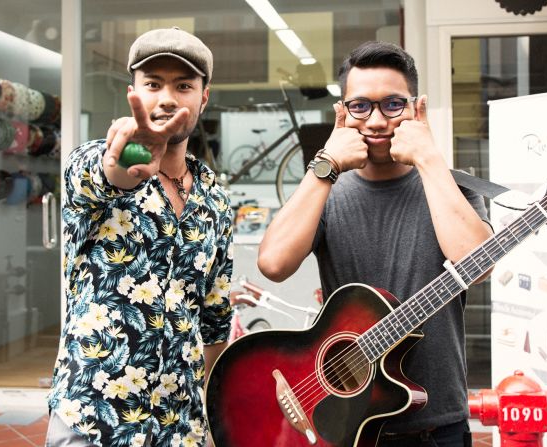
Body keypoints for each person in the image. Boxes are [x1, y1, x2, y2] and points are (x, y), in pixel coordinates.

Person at [257, 41, 493, 446]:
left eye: (393, 105)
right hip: (347, 423)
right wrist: (324, 167)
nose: (377, 121)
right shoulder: (325, 190)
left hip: (438, 425)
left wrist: (430, 159)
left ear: (416, 109)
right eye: (360, 106)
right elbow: (274, 264)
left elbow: (479, 266)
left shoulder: (452, 187)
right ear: (342, 113)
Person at [46, 27, 234, 447]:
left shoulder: (215, 200)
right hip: (94, 416)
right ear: (133, 91)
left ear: (203, 97)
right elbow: (103, 176)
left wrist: (212, 414)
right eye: (153, 84)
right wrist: (123, 164)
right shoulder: (93, 161)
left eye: (183, 85)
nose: (166, 98)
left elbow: (214, 319)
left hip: (181, 424)